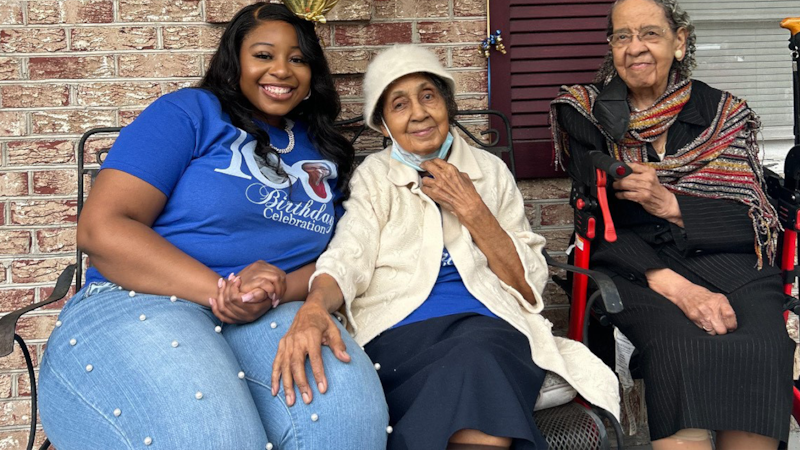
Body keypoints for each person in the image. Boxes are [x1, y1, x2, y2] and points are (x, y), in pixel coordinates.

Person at [37, 3, 388, 449]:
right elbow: (102, 229)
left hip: (268, 312)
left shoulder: (324, 150)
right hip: (142, 295)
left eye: (297, 59)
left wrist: (276, 286)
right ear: (234, 62)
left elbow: (335, 258)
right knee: (213, 432)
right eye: (263, 55)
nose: (281, 69)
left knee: (346, 419)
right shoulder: (191, 112)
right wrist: (222, 290)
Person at [270, 44, 621, 450]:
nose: (418, 113)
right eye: (399, 105)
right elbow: (349, 254)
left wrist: (473, 210)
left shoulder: (489, 171)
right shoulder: (376, 177)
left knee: (479, 356)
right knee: (478, 371)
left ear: (447, 105)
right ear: (384, 125)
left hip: (492, 329)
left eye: (428, 96)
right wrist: (314, 307)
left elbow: (529, 286)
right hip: (400, 332)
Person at [550, 0, 794, 449]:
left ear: (679, 42)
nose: (635, 48)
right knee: (679, 348)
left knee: (762, 345)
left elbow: (752, 222)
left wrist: (672, 204)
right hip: (637, 264)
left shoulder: (722, 113)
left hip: (730, 259)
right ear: (610, 47)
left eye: (650, 34)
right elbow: (596, 221)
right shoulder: (584, 112)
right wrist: (675, 286)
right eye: (622, 36)